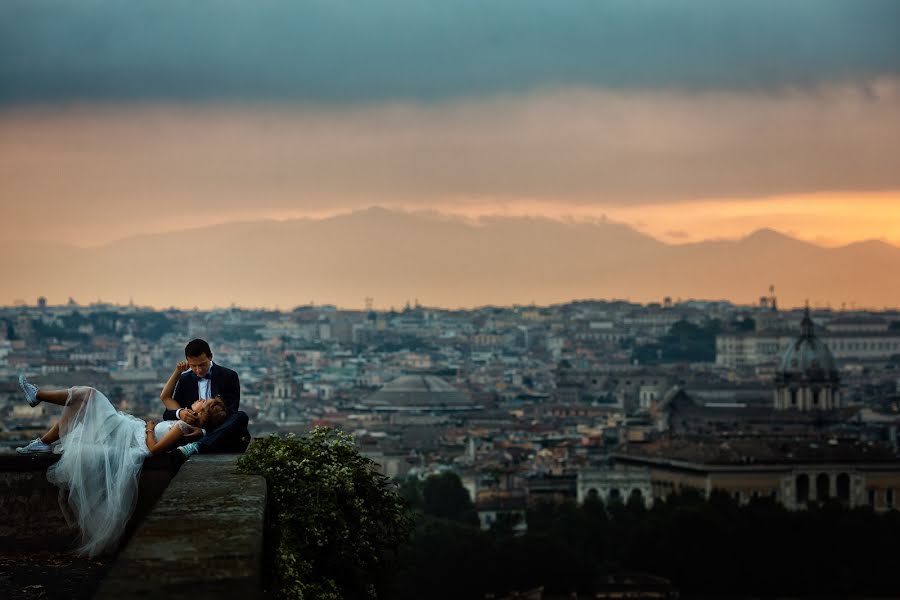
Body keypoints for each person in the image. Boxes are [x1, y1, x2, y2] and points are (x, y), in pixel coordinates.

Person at [15, 375, 227, 557]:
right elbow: (171, 404)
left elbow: (153, 449)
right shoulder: (186, 423)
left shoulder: (183, 427)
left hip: (127, 436)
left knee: (88, 395)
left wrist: (150, 429)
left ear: (202, 414)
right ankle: (42, 441)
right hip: (127, 431)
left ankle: (38, 398)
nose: (200, 399)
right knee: (82, 404)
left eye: (204, 402)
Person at [160, 338, 247, 455]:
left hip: (218, 430)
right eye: (193, 366)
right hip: (191, 432)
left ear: (210, 357)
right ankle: (200, 444)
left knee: (240, 416)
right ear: (187, 362)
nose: (198, 370)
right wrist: (180, 413)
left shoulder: (228, 376)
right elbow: (167, 413)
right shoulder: (185, 380)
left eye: (202, 365)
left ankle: (201, 444)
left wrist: (204, 432)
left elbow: (231, 411)